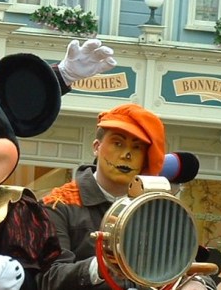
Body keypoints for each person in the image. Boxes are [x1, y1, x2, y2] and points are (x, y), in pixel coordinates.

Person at [39, 103, 167, 290]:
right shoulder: (58, 204)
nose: (127, 154)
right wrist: (101, 266)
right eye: (118, 143)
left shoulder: (155, 210)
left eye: (137, 147)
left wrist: (198, 282)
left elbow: (184, 261)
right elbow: (49, 277)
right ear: (96, 147)